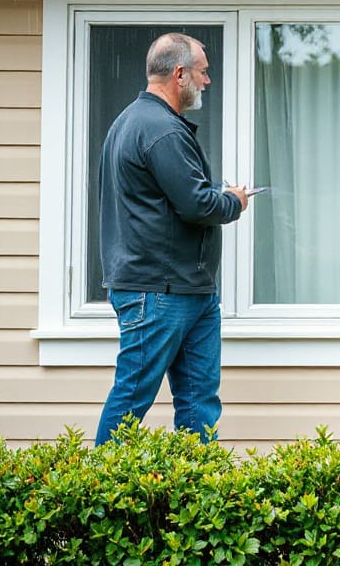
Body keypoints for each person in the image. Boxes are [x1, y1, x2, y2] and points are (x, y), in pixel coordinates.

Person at [94, 32, 250, 445]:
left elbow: (170, 199)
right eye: (202, 72)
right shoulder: (161, 129)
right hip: (157, 290)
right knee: (132, 398)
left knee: (198, 400)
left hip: (186, 288)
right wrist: (233, 201)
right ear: (179, 74)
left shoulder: (132, 123)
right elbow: (197, 205)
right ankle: (93, 493)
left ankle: (197, 498)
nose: (207, 81)